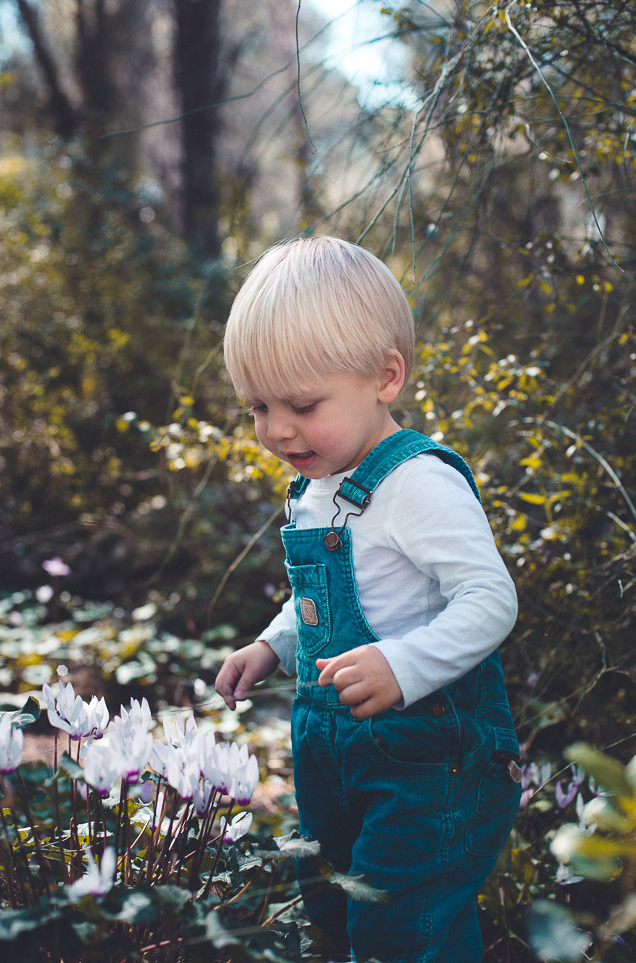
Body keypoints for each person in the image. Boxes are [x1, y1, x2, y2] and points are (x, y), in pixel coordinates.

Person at [215, 235, 521, 963]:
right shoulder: (316, 488)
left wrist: (403, 666)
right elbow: (320, 600)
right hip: (333, 754)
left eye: (301, 403)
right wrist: (273, 645)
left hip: (428, 760)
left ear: (385, 377)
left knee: (397, 922)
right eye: (257, 407)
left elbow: (489, 599)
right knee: (333, 901)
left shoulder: (416, 482)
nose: (278, 429)